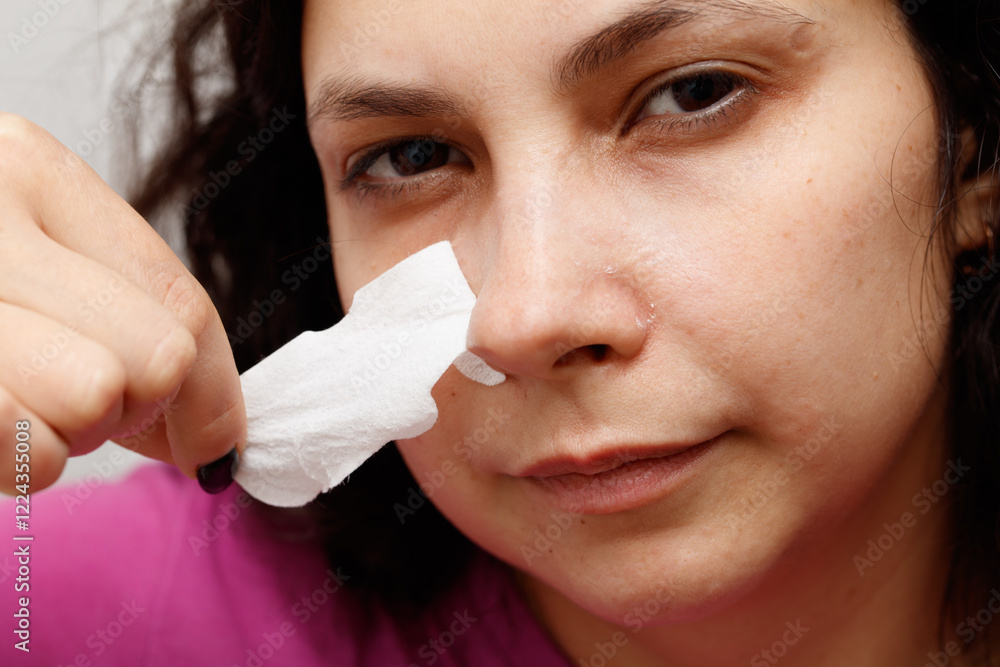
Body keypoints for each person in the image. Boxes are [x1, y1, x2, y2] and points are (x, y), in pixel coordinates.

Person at [1, 0, 999, 664]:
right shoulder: (103, 612)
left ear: (974, 149)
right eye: (413, 155)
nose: (524, 316)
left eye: (692, 94)